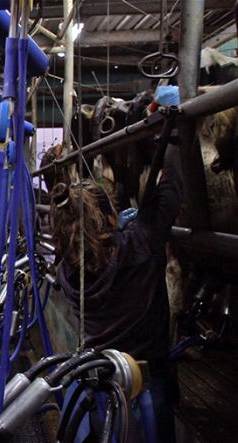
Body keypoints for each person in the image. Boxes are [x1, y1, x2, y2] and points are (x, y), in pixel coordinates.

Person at [50, 126, 183, 442]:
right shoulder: (139, 244)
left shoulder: (67, 271)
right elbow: (172, 189)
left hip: (101, 379)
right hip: (148, 382)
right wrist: (175, 132)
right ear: (111, 219)